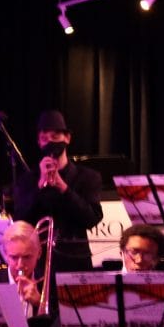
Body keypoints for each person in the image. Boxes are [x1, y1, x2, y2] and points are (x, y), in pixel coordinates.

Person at [11, 109, 103, 273]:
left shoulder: (88, 177)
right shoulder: (28, 180)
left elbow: (92, 218)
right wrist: (39, 186)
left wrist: (63, 187)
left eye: (55, 137)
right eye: (44, 138)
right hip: (39, 261)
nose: (50, 142)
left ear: (67, 138)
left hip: (76, 261)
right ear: (39, 143)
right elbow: (19, 220)